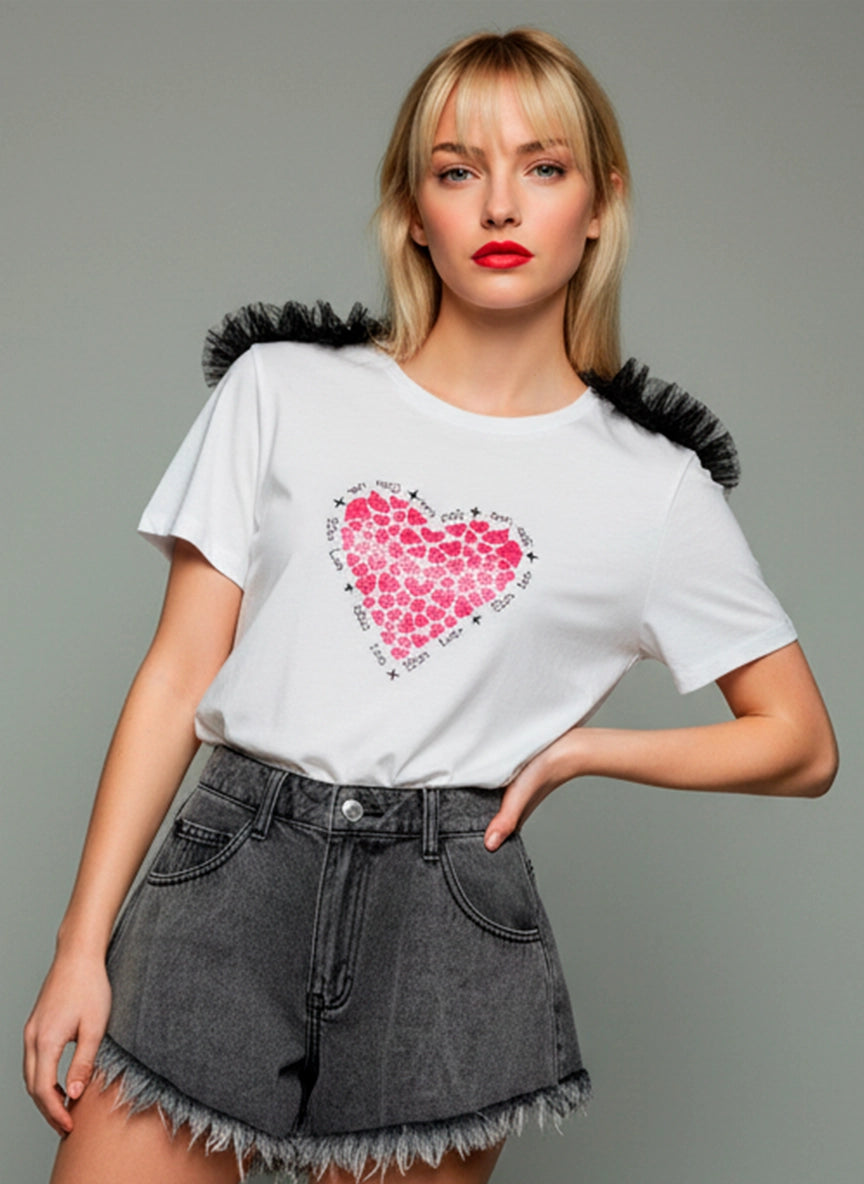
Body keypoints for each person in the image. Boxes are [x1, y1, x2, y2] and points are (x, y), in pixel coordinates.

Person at [24, 25, 837, 1184]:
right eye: (459, 170)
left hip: (446, 907)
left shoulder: (652, 486)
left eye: (543, 167)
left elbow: (801, 742)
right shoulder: (281, 390)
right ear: (414, 208)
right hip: (229, 871)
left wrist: (583, 750)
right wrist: (79, 945)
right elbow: (176, 674)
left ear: (600, 203)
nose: (501, 204)